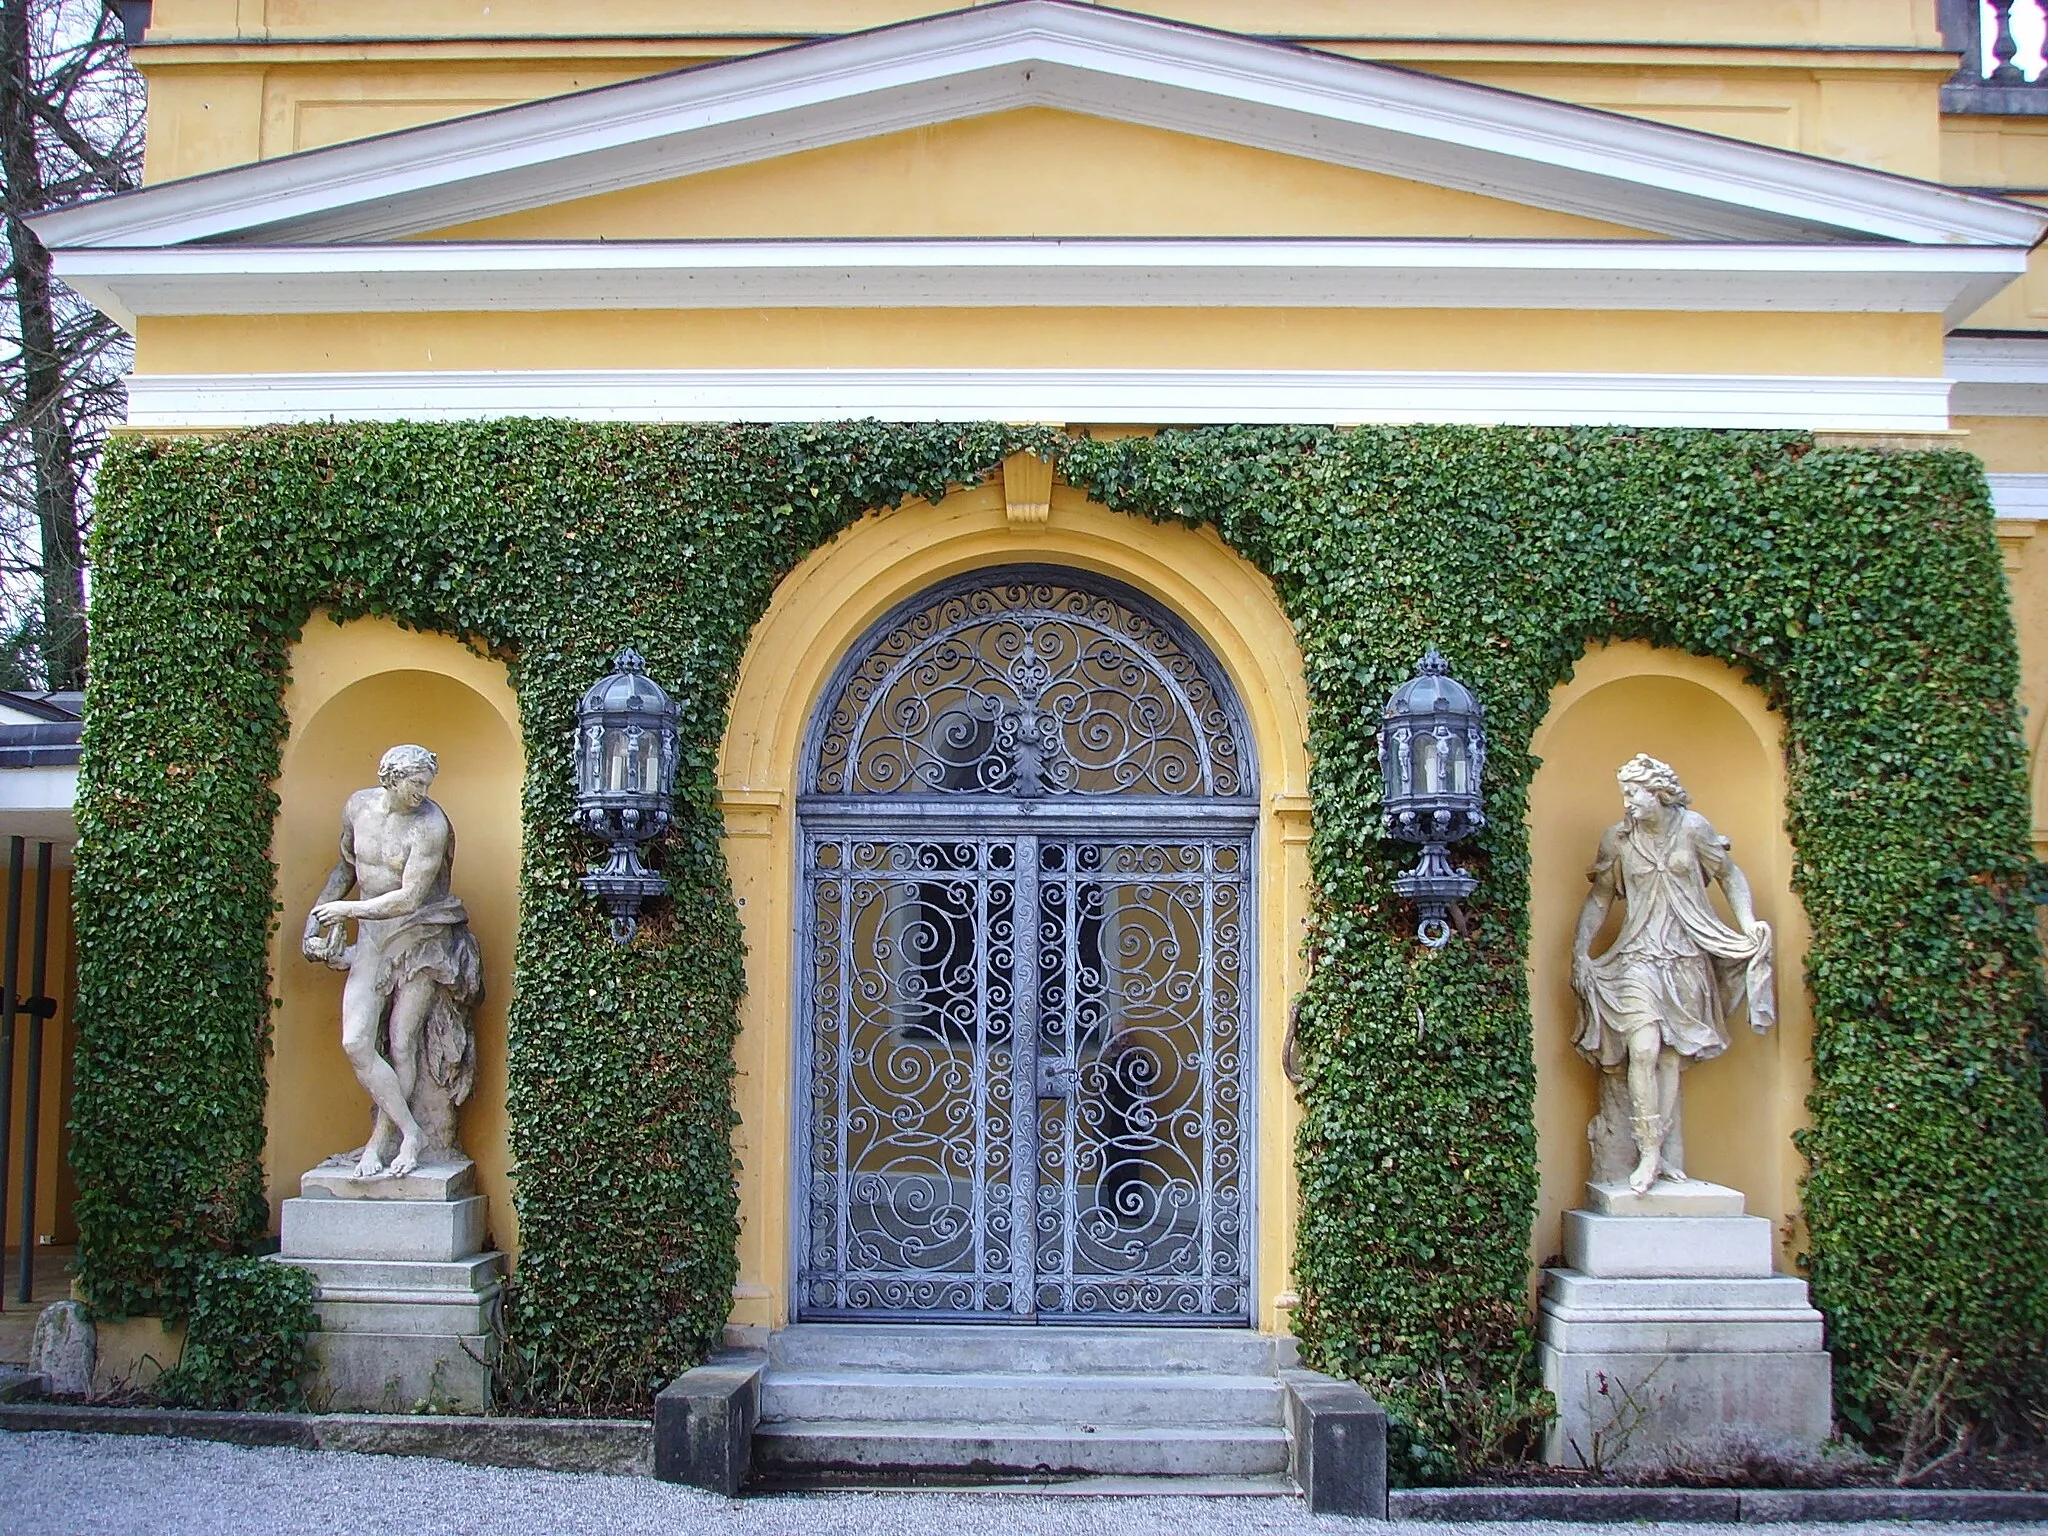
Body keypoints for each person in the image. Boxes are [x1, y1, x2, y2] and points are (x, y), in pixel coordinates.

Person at [1570, 754, 1774, 1195]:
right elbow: (1601, 899)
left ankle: (1664, 1157)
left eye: (1634, 793)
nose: (1627, 803)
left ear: (1658, 793)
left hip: (1685, 956)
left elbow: (1730, 876)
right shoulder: (1619, 840)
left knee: (1668, 1058)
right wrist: (1580, 952)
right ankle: (1647, 1154)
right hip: (1638, 955)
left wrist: (1748, 922)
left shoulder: (1694, 829)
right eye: (1624, 794)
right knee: (1642, 1049)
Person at [303, 744, 480, 1179]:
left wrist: (346, 913)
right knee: (356, 1042)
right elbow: (346, 871)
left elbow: (410, 897)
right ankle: (409, 1131)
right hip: (373, 939)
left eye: (426, 784)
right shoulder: (358, 808)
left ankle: (385, 1142)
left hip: (422, 938)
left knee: (403, 1040)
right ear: (390, 778)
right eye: (414, 783)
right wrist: (316, 920)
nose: (422, 791)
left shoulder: (431, 826)